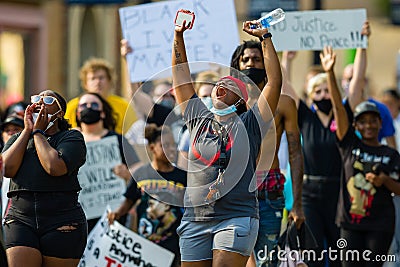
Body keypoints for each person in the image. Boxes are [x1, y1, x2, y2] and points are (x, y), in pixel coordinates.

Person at [172, 15, 281, 266]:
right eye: (217, 84)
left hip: (237, 216)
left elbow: (274, 82)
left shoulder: (251, 123)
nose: (219, 86)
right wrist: (178, 37)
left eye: (228, 85)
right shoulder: (198, 119)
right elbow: (180, 77)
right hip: (195, 218)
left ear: (241, 100)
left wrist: (265, 38)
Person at [321, 45, 400, 267]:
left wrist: (384, 181)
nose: (368, 125)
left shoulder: (391, 154)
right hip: (349, 225)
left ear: (380, 123)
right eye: (362, 121)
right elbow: (338, 108)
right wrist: (329, 73)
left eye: (373, 121)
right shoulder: (348, 145)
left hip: (381, 225)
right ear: (355, 124)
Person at [230, 40, 305, 267]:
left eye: (257, 59)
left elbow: (295, 152)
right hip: (236, 192)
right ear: (237, 65)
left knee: (266, 262)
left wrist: (298, 203)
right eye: (246, 60)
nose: (251, 63)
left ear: (267, 64)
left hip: (269, 191)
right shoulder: (230, 105)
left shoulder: (284, 104)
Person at [2, 90, 87, 267]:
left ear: (60, 113)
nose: (40, 102)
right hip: (21, 219)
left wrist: (39, 133)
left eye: (48, 99)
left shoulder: (71, 138)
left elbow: (54, 167)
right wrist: (27, 130)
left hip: (61, 221)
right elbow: (7, 169)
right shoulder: (18, 138)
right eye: (36, 99)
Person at [108, 124, 186, 267]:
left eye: (173, 145)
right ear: (151, 148)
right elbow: (129, 200)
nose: (171, 149)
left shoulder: (182, 177)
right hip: (145, 246)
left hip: (175, 245)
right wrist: (116, 214)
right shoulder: (141, 174)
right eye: (165, 145)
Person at [76, 92, 141, 232]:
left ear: (103, 113)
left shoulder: (118, 140)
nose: (89, 107)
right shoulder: (71, 142)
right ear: (77, 113)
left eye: (94, 104)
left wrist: (128, 175)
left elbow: (140, 173)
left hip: (116, 215)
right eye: (83, 105)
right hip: (81, 218)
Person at [342, 22, 397, 149]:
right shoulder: (339, 109)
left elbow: (391, 146)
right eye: (348, 79)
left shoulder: (381, 109)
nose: (352, 82)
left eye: (355, 78)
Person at [65, 58, 137, 134]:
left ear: (110, 81)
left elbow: (133, 135)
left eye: (101, 78)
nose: (98, 82)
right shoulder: (73, 106)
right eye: (93, 78)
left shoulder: (123, 106)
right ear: (85, 83)